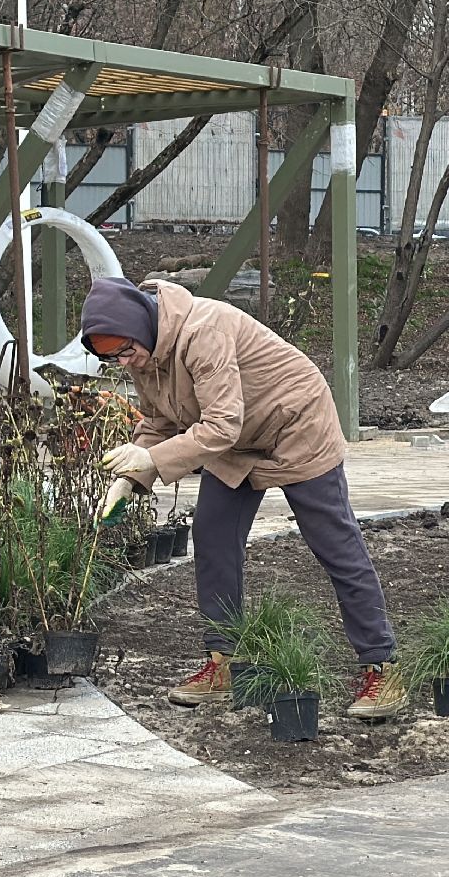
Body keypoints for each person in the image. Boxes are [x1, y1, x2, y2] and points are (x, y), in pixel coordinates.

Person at [80, 276, 407, 719]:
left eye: (123, 349)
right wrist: (132, 479)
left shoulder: (202, 332)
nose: (122, 362)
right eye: (109, 357)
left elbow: (220, 425)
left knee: (334, 544)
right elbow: (159, 420)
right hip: (237, 439)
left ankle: (381, 666)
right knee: (212, 536)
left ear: (140, 325)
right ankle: (224, 666)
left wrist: (152, 459)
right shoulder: (144, 354)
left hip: (295, 423)